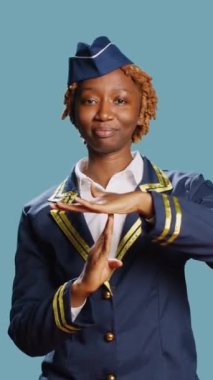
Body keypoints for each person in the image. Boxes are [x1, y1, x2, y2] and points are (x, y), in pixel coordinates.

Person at [8, 36, 213, 380]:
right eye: (89, 100)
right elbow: (26, 335)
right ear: (72, 110)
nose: (104, 113)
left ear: (142, 107)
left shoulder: (184, 189)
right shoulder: (40, 213)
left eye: (120, 100)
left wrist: (145, 202)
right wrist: (80, 288)